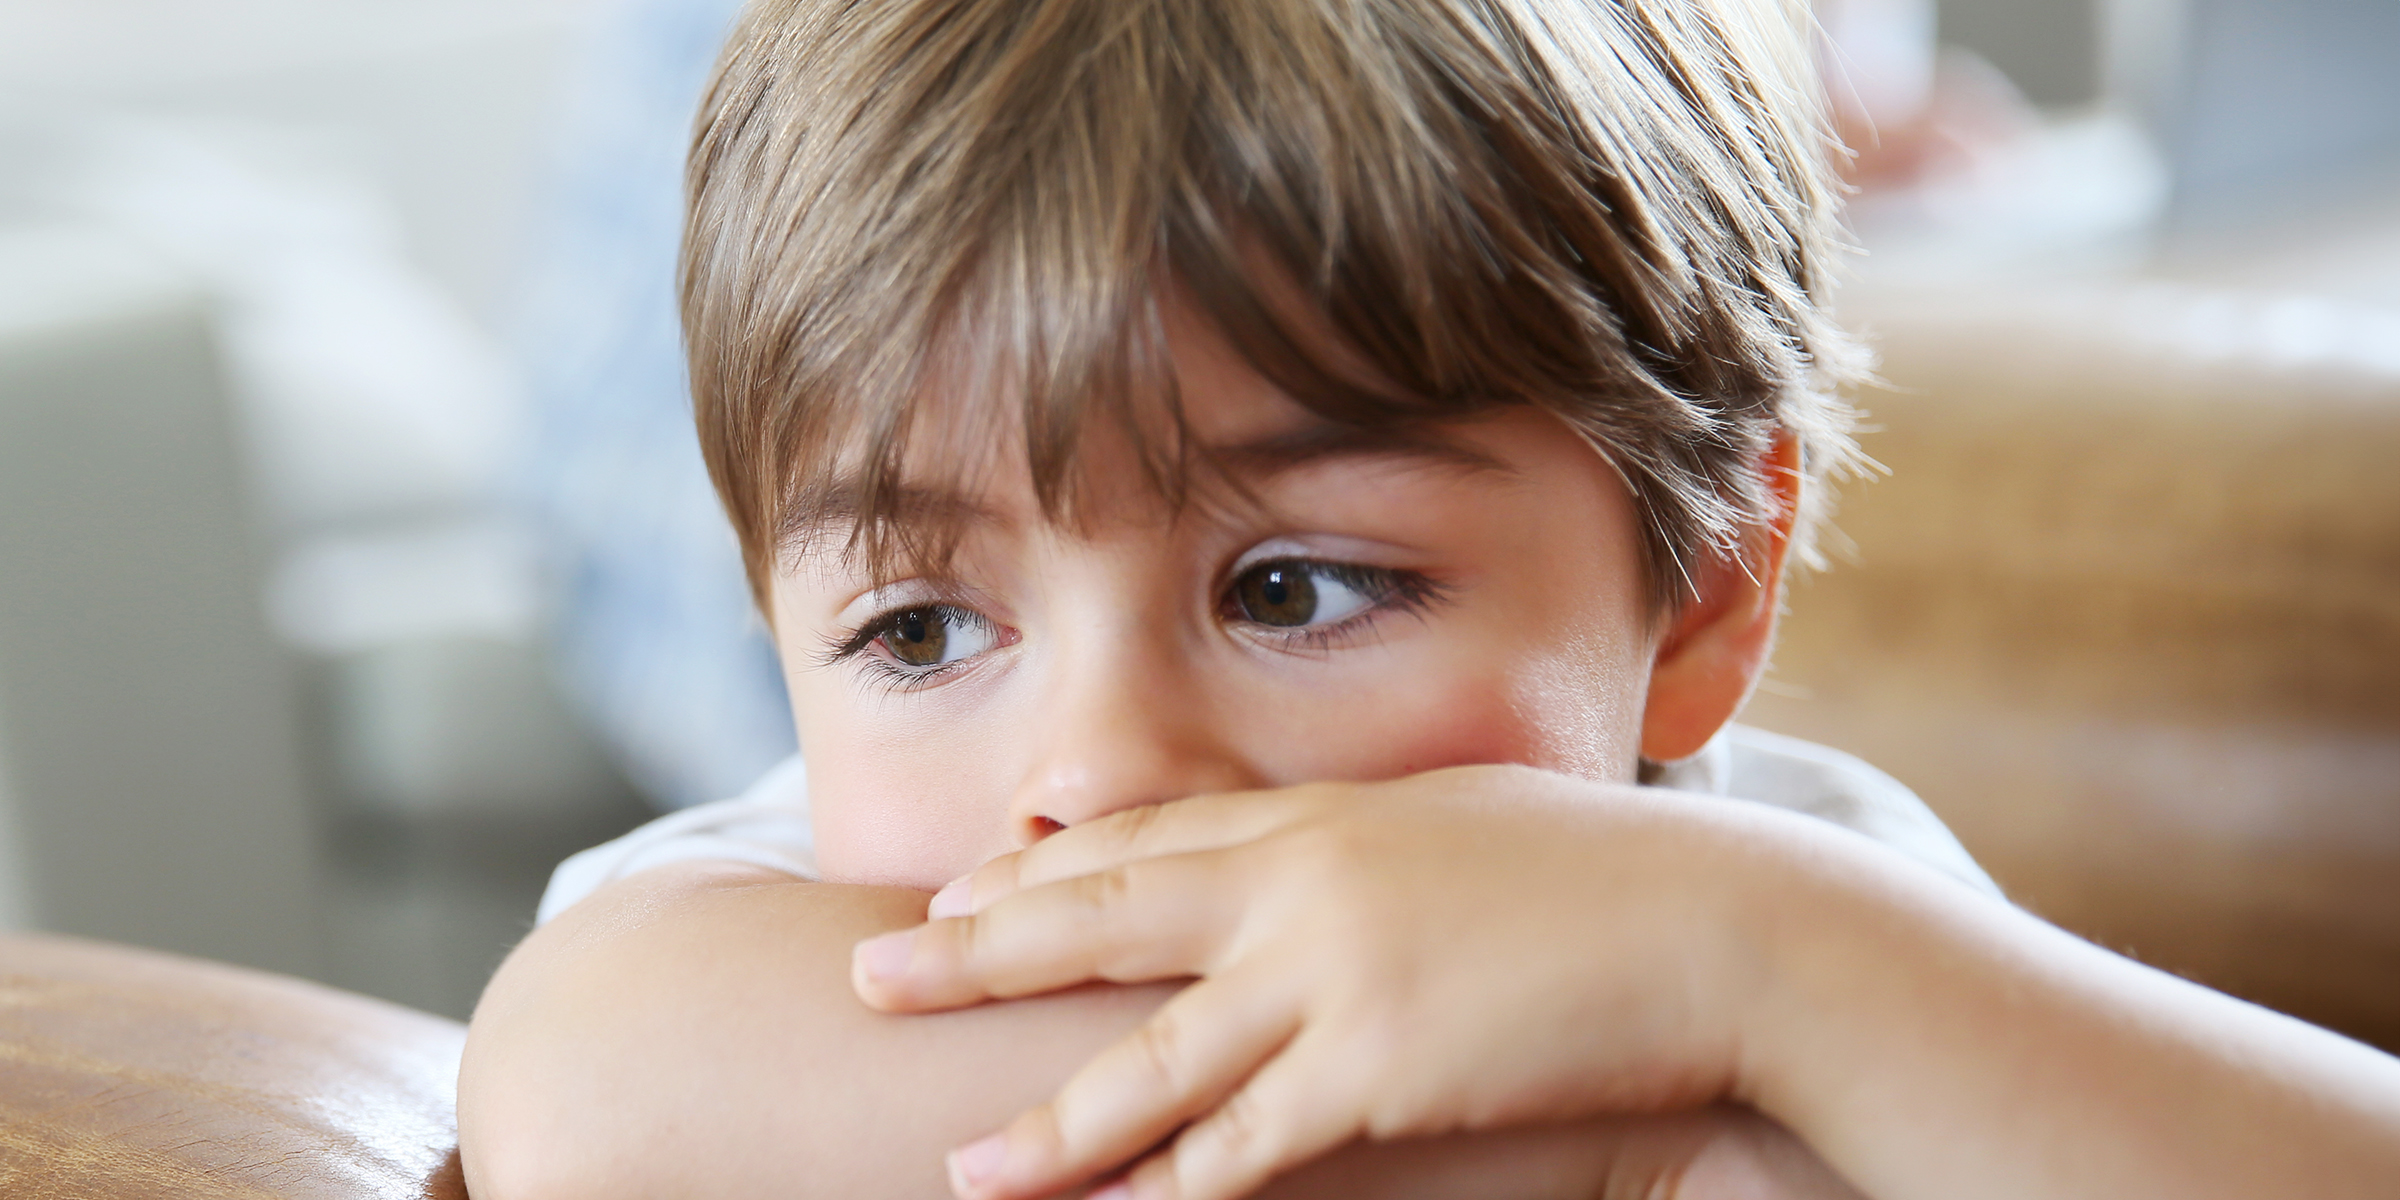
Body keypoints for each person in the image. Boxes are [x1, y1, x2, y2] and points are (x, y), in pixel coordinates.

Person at [458, 2, 2400, 1198]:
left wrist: (1755, 968)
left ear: (1707, 587)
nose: (1098, 771)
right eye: (921, 633)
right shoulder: (814, 921)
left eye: (1295, 587)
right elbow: (570, 1087)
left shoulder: (1804, 899)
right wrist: (1636, 1143)